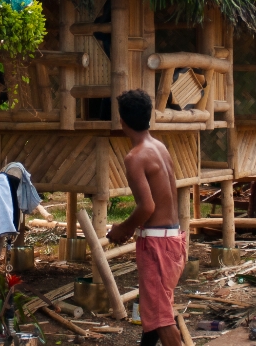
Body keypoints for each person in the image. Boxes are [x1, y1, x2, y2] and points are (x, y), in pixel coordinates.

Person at [106, 89, 185, 346]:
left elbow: (147, 207)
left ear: (122, 122)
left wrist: (123, 229)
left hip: (156, 245)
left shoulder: (135, 157)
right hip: (173, 240)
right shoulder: (159, 147)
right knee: (154, 311)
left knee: (161, 319)